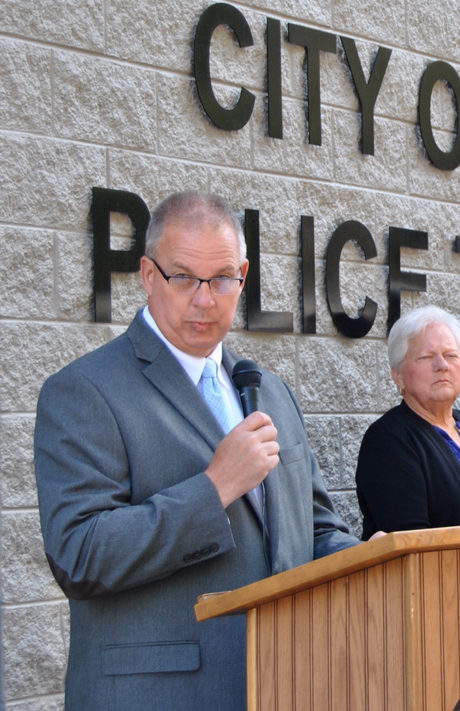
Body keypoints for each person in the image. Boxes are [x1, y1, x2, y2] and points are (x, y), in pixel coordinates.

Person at [34, 192, 362, 711]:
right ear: (147, 275)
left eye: (222, 279)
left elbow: (314, 530)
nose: (205, 300)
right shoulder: (84, 391)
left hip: (282, 686)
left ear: (243, 277)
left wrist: (378, 560)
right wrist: (214, 488)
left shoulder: (269, 390)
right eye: (183, 277)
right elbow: (80, 555)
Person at [356, 305, 460, 538]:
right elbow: (409, 537)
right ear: (397, 374)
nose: (442, 366)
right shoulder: (388, 440)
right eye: (426, 357)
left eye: (451, 355)